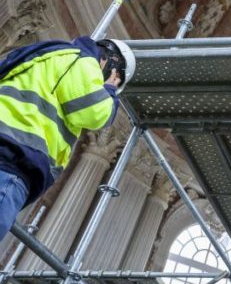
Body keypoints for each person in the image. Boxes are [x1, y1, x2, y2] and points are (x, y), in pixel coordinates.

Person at [0, 36, 135, 239]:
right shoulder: (83, 60)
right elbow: (94, 113)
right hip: (13, 162)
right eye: (115, 78)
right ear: (109, 62)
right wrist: (109, 92)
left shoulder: (45, 56)